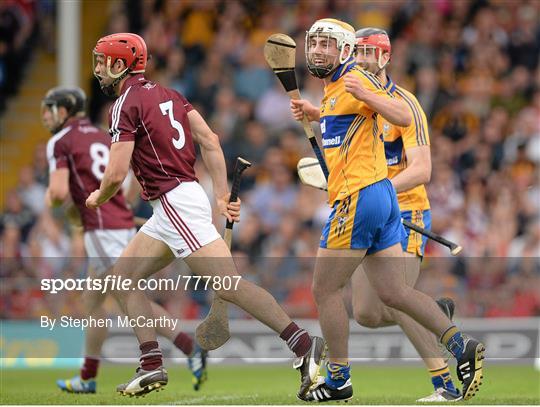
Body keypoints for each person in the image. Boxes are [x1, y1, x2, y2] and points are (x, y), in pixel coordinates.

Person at [87, 32, 325, 398]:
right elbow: (210, 140)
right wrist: (218, 194)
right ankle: (151, 365)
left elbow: (116, 174)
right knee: (122, 279)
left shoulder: (123, 105)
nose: (99, 70)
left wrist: (97, 197)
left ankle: (304, 346)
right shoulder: (171, 96)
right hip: (178, 201)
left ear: (120, 65)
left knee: (229, 285)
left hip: (173, 203)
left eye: (103, 62)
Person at [290, 18, 485, 402]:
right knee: (391, 294)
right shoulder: (336, 89)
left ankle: (338, 378)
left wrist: (368, 93)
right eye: (315, 45)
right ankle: (459, 342)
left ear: (347, 51)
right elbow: (351, 124)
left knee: (324, 289)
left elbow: (402, 117)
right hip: (379, 199)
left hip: (363, 198)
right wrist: (317, 114)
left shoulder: (355, 82)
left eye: (328, 45)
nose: (318, 51)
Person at [42, 86, 208, 393]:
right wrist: (121, 210)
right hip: (116, 224)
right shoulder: (104, 134)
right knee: (92, 301)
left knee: (127, 295)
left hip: (101, 230)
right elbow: (129, 184)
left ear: (64, 111)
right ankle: (88, 377)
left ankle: (187, 348)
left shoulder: (60, 141)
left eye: (50, 109)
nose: (46, 116)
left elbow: (57, 193)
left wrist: (65, 209)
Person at [349, 28, 461, 402]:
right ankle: (434, 314)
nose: (363, 59)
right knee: (366, 313)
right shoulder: (353, 105)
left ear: (385, 58)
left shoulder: (405, 104)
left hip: (405, 209)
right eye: (358, 52)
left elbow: (421, 170)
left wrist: (375, 193)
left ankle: (445, 386)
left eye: (370, 52)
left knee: (397, 298)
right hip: (370, 211)